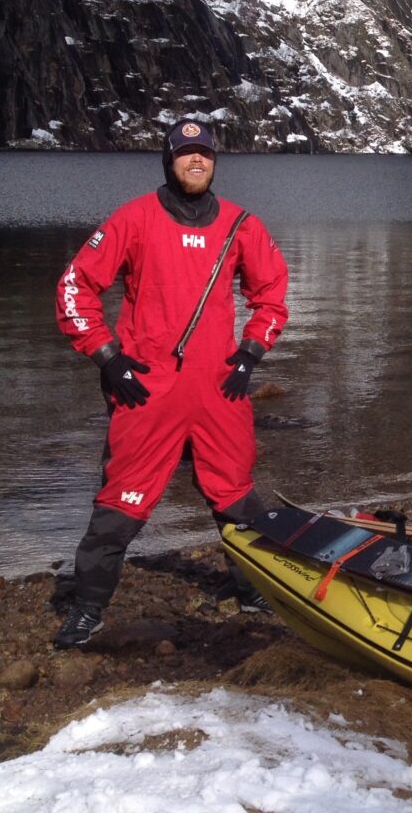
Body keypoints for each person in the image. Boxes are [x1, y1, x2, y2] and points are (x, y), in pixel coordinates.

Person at [52, 117, 289, 649]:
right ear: (168, 160)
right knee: (119, 505)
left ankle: (258, 588)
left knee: (236, 495)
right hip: (147, 389)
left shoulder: (241, 224)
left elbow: (271, 294)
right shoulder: (133, 219)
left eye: (204, 153)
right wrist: (108, 358)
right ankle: (87, 609)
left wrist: (250, 354)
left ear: (215, 161)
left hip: (219, 388)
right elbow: (75, 288)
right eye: (185, 154)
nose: (196, 161)